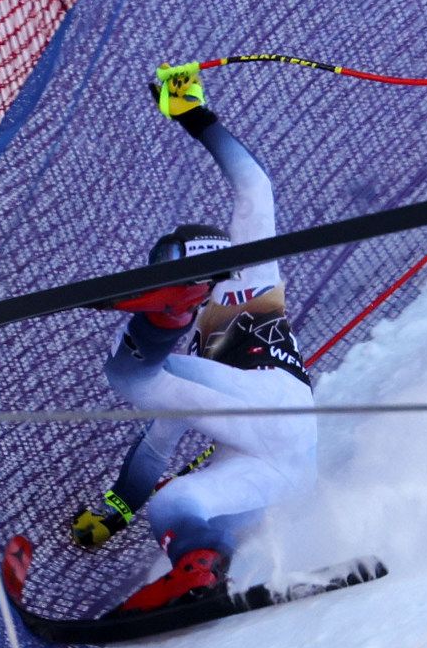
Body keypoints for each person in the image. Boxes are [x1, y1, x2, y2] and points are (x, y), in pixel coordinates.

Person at [70, 63, 316, 611]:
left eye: (173, 281)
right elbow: (157, 445)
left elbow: (255, 186)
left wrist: (192, 113)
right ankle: (199, 570)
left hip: (276, 404)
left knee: (136, 373)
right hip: (281, 474)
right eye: (163, 285)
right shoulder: (200, 372)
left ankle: (163, 318)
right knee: (178, 505)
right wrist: (119, 509)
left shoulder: (248, 277)